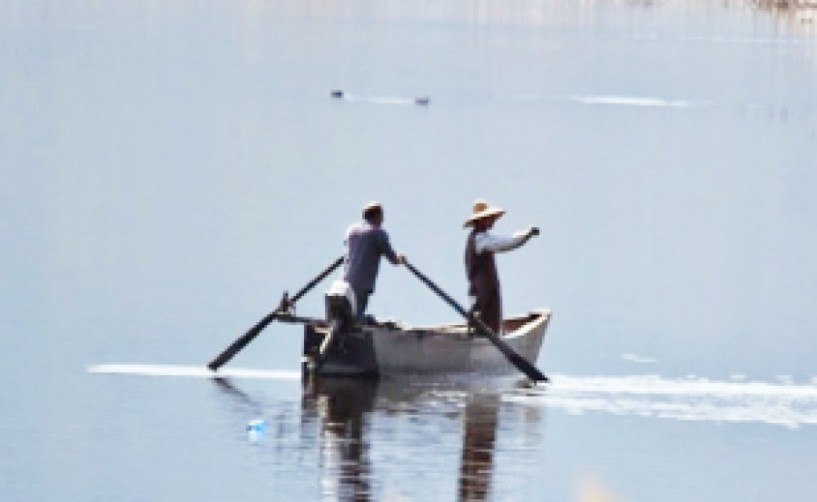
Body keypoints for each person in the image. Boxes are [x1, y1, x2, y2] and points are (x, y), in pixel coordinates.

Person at [464, 199, 538, 334]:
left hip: (486, 289)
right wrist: (526, 235)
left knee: (491, 321)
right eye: (489, 218)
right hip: (483, 291)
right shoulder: (480, 240)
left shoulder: (481, 237)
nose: (492, 221)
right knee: (486, 320)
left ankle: (489, 335)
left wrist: (525, 234)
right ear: (480, 221)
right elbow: (505, 243)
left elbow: (504, 241)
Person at [343, 201, 405, 322]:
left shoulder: (352, 231)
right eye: (381, 215)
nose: (383, 219)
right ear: (376, 216)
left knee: (347, 312)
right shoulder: (378, 233)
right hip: (362, 282)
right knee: (356, 317)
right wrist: (400, 259)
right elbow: (392, 258)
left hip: (346, 280)